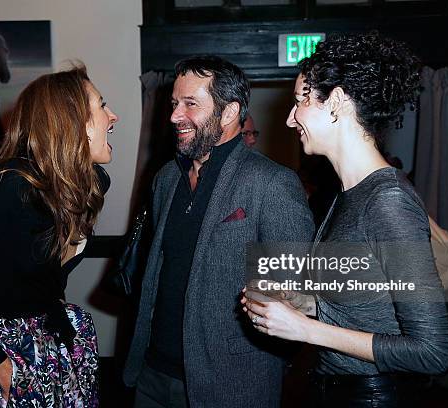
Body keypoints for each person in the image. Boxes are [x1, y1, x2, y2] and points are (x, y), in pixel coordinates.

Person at [242, 33, 448, 406]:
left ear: (336, 102)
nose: (291, 119)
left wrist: (305, 329)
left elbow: (431, 352)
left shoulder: (387, 202)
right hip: (335, 391)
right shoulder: (348, 195)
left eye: (300, 100)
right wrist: (298, 303)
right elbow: (363, 306)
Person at [124, 55, 314, 407]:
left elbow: (297, 296)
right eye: (174, 104)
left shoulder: (272, 183)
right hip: (152, 375)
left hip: (231, 383)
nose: (174, 116)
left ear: (229, 113)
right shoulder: (166, 178)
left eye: (190, 104)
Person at [0, 64, 118, 406]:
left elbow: (47, 280)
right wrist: (4, 371)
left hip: (48, 342)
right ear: (71, 123)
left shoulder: (77, 187)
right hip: (2, 352)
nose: (113, 116)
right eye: (102, 105)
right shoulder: (10, 187)